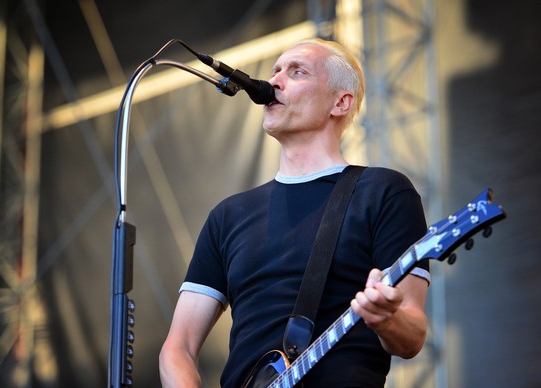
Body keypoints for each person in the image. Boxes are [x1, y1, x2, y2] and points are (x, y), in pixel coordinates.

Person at [159, 38, 430, 387]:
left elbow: (413, 335)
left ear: (340, 102)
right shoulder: (228, 216)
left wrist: (385, 319)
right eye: (274, 71)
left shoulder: (382, 192)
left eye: (297, 71)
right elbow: (177, 348)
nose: (275, 82)